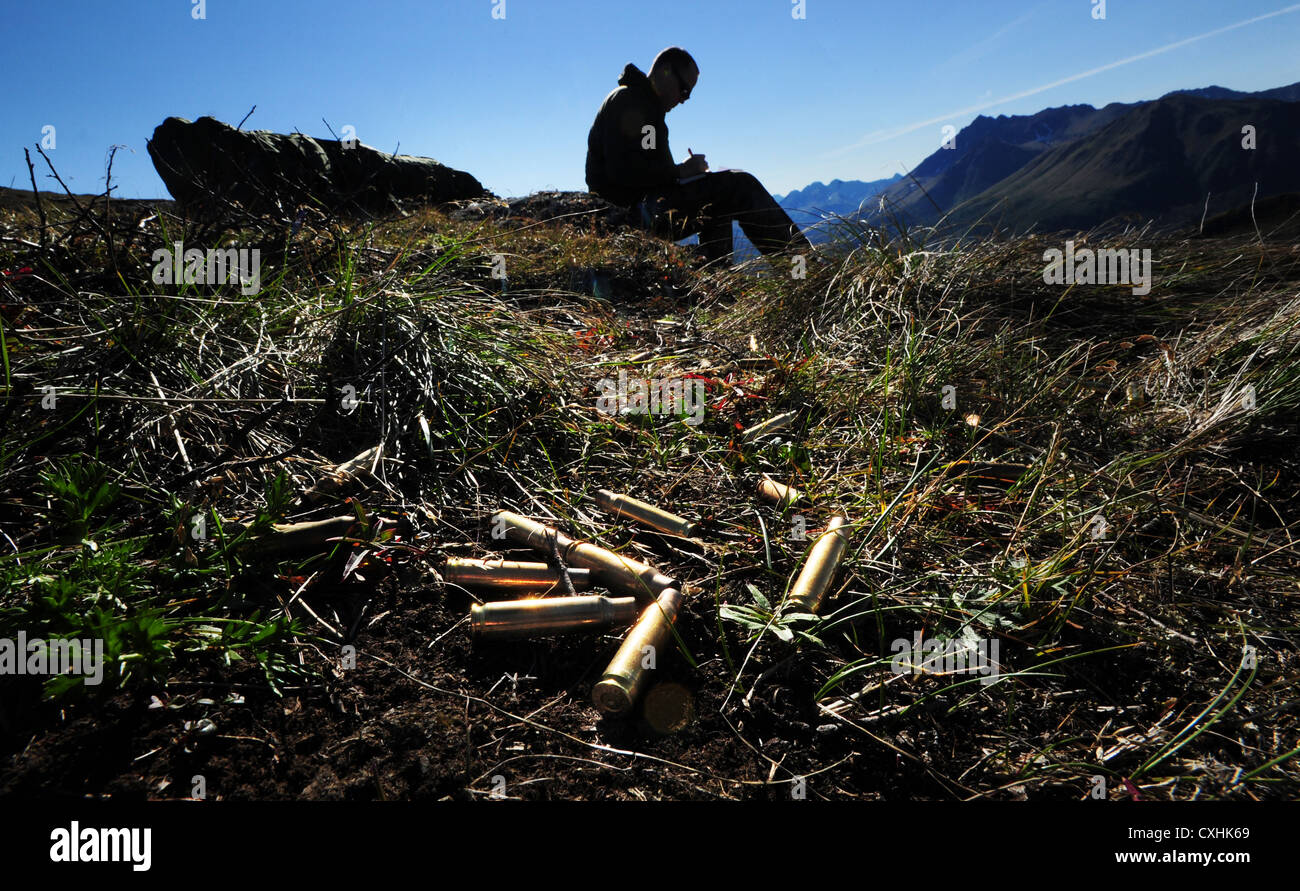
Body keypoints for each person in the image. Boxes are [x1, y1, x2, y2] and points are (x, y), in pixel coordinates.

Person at [585, 47, 814, 268]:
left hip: (640, 207)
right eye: (684, 89)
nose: (685, 99)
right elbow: (622, 171)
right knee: (740, 185)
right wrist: (680, 172)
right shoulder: (631, 102)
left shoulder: (645, 107)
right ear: (665, 71)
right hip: (631, 213)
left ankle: (718, 277)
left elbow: (644, 166)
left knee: (719, 199)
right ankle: (805, 271)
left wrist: (684, 174)